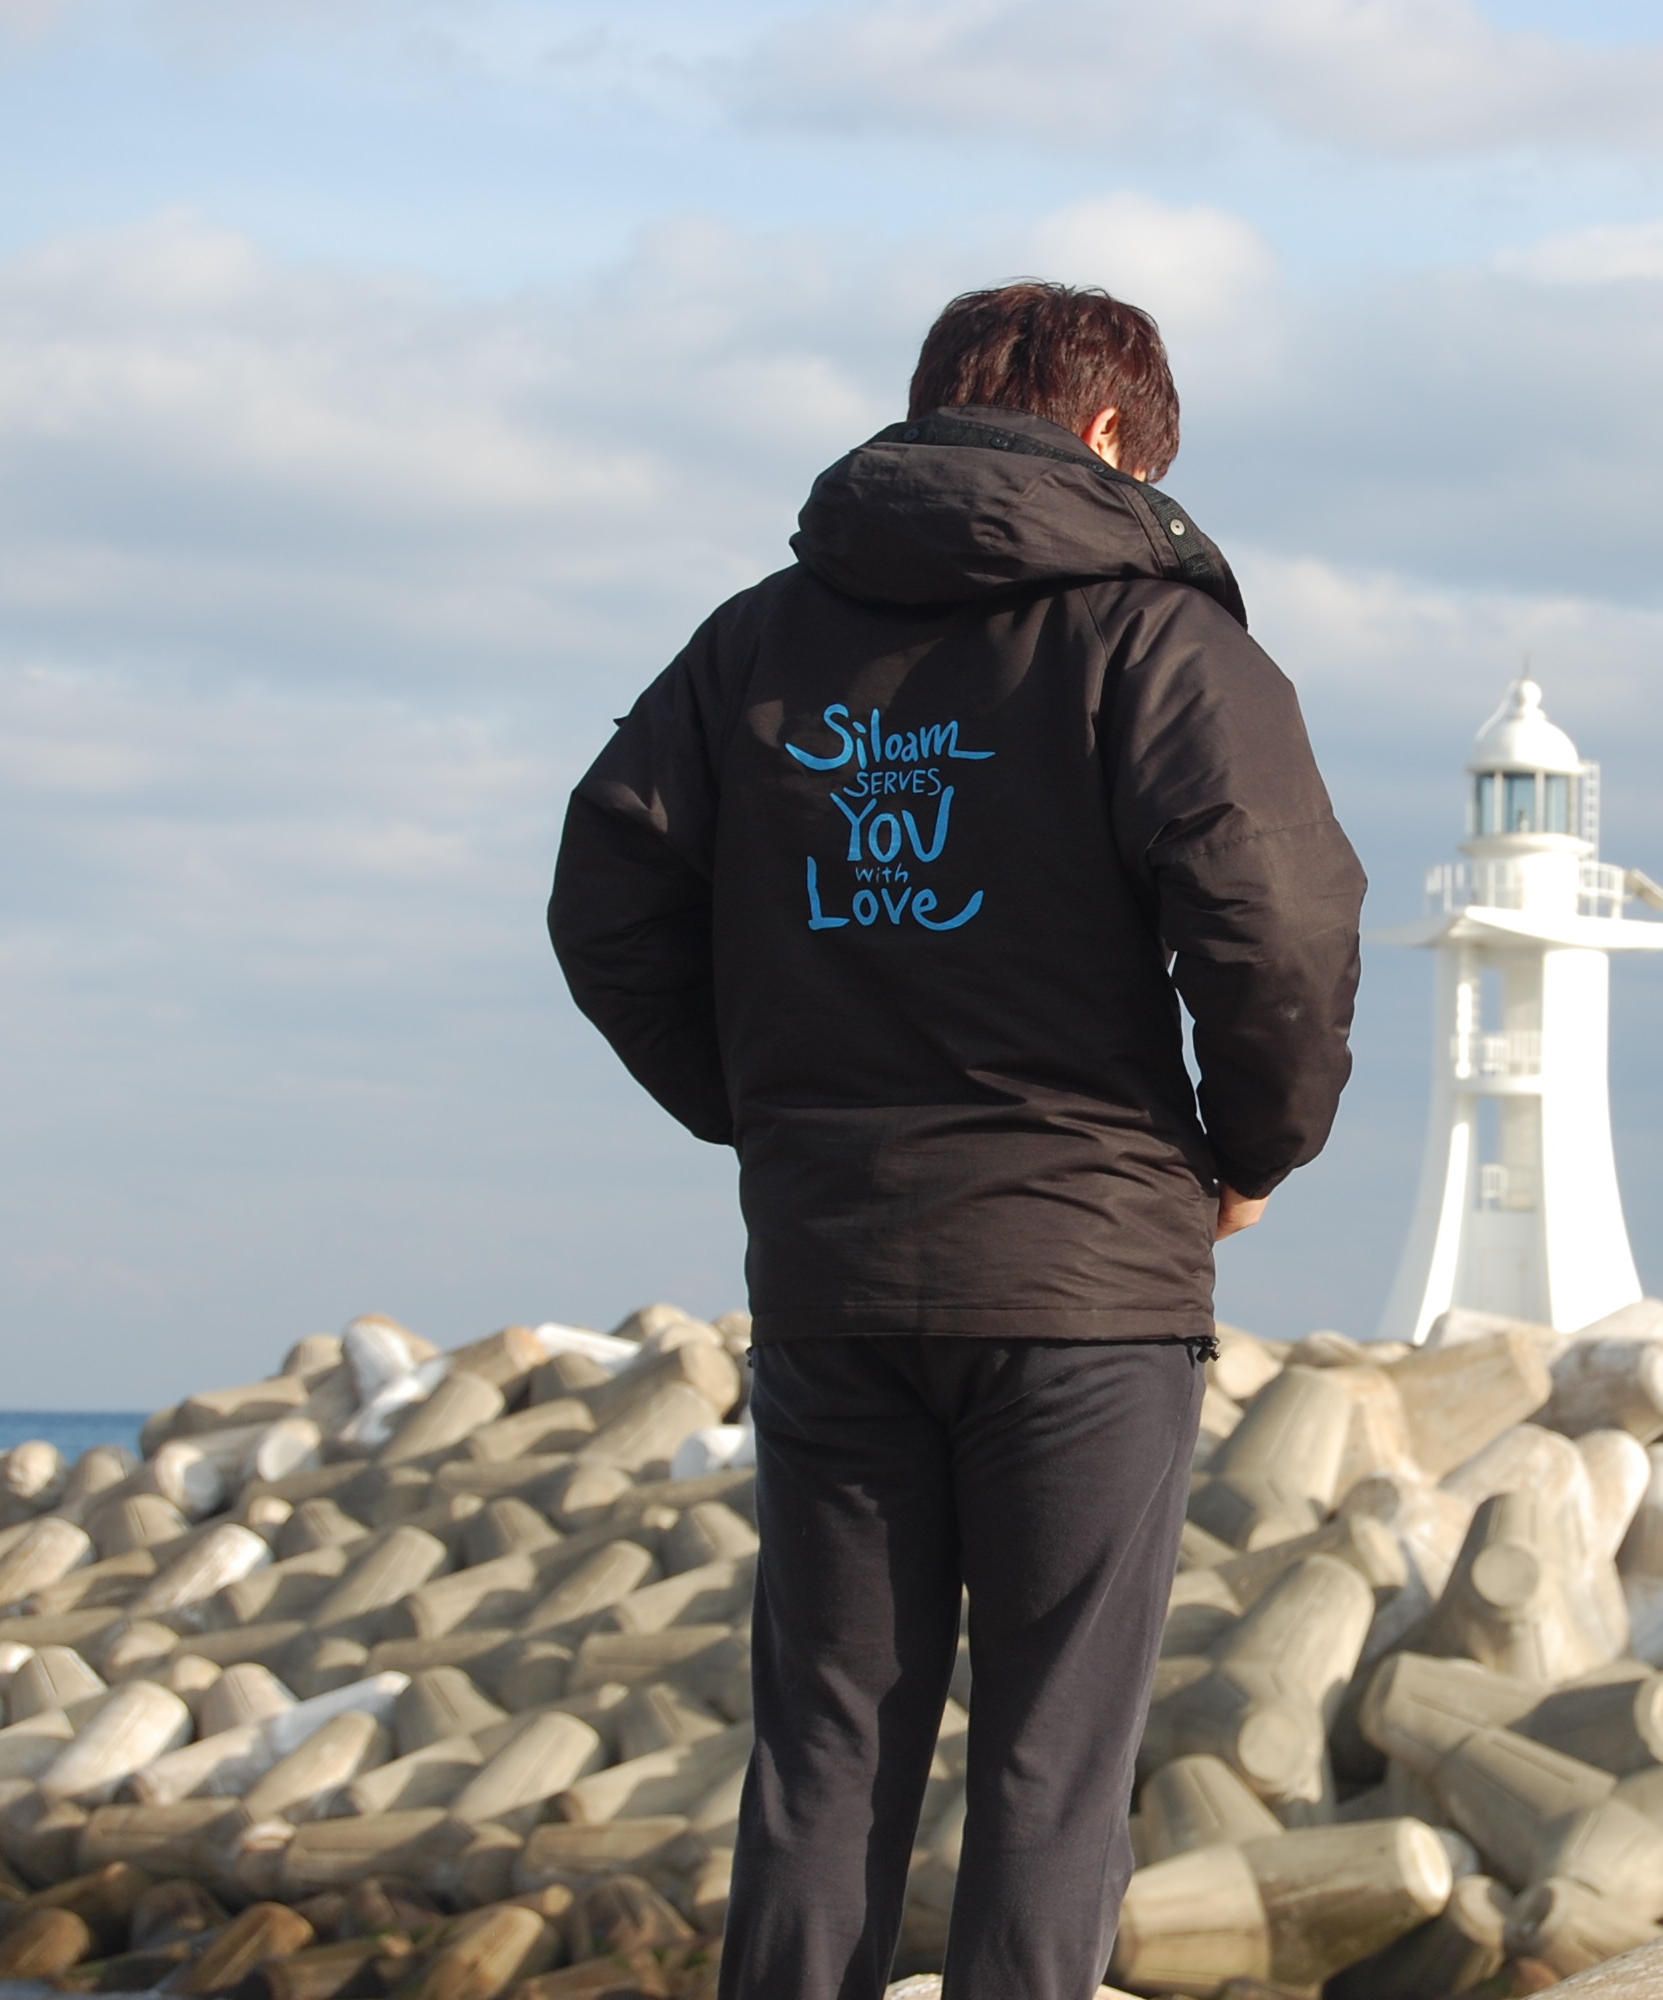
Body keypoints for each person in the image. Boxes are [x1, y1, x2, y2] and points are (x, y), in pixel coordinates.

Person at [547, 283, 1366, 2000]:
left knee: (824, 1750)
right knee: (1055, 1761)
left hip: (838, 1268)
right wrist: (1251, 1151)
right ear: (1112, 437)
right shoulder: (1158, 641)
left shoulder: (753, 645)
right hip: (1088, 1279)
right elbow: (1275, 920)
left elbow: (608, 898)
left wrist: (769, 1114)